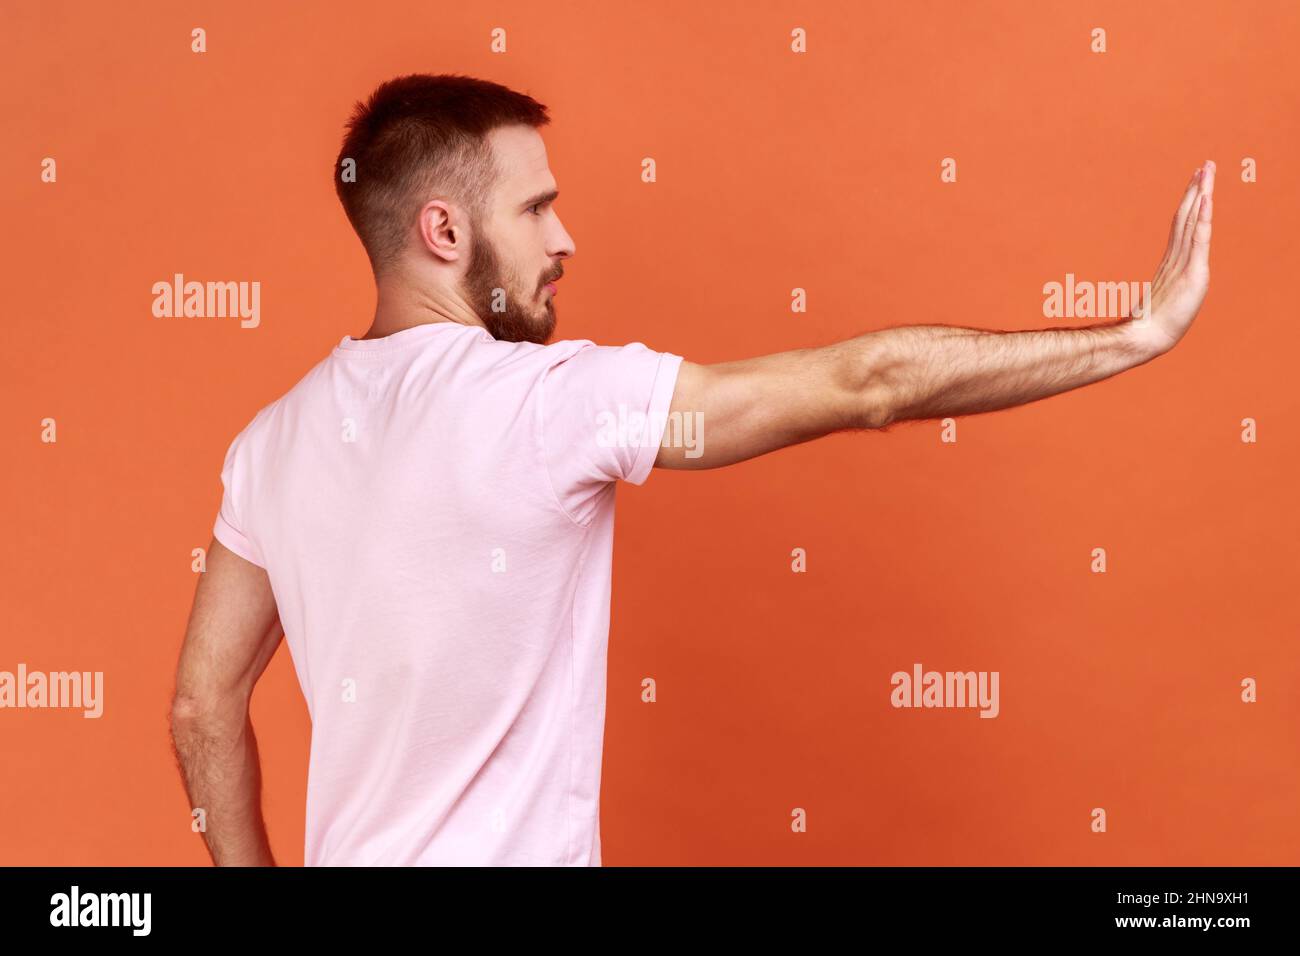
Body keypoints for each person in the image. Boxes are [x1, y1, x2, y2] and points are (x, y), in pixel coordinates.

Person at [168, 73, 1216, 866]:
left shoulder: (273, 441)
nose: (562, 237)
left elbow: (201, 704)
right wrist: (1134, 333)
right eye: (534, 208)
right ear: (442, 229)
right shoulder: (552, 404)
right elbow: (870, 383)